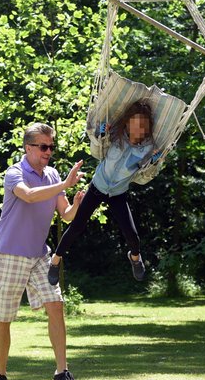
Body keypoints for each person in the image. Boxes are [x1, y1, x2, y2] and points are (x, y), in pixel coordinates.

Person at [0, 122, 86, 380]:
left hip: (40, 255)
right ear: (28, 148)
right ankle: (1, 375)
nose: (48, 151)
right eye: (43, 146)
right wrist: (65, 183)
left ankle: (61, 372)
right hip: (9, 254)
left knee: (56, 305)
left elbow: (65, 215)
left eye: (51, 146)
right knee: (4, 316)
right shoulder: (14, 173)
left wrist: (76, 204)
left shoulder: (52, 175)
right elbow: (28, 196)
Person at [47, 100, 162, 286]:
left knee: (131, 234)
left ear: (147, 129)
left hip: (118, 193)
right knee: (76, 226)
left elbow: (146, 171)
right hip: (97, 187)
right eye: (135, 123)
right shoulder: (116, 135)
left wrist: (155, 160)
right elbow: (98, 143)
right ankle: (55, 260)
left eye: (143, 126)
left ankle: (135, 258)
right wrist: (102, 130)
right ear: (127, 123)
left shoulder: (147, 148)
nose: (138, 128)